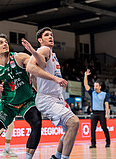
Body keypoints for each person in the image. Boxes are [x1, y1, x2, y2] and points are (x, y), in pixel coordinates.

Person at [0, 34, 44, 159]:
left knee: (37, 122)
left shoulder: (19, 57)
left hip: (27, 101)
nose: (5, 44)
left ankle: (28, 157)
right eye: (1, 43)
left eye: (6, 42)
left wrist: (33, 53)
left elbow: (38, 64)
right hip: (8, 105)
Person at [26, 27, 79, 159]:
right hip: (48, 99)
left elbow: (34, 75)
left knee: (69, 129)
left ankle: (57, 156)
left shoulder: (53, 55)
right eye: (47, 35)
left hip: (56, 97)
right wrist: (55, 79)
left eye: (51, 35)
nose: (51, 37)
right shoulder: (44, 49)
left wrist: (37, 85)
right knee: (74, 122)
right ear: (40, 40)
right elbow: (30, 67)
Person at [84, 69, 110, 148]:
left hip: (101, 113)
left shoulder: (104, 94)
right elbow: (86, 85)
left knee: (104, 128)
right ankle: (93, 144)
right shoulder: (92, 93)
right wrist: (85, 76)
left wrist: (106, 114)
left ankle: (108, 142)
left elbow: (106, 105)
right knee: (92, 129)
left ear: (100, 87)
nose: (95, 87)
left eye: (96, 86)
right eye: (94, 86)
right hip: (94, 113)